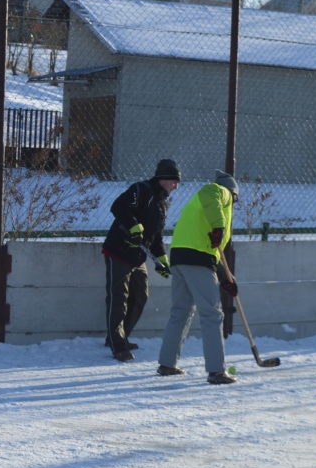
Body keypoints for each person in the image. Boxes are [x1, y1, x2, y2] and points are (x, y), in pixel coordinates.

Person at [156, 169, 240, 384]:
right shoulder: (220, 191)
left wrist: (225, 278)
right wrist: (219, 227)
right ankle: (216, 370)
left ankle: (167, 364)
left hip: (180, 256)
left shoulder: (199, 207)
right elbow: (210, 195)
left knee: (180, 311)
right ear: (234, 192)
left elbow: (214, 250)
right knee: (212, 314)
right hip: (197, 259)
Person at [102, 159, 181, 362]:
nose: (176, 186)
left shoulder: (162, 203)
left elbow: (155, 235)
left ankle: (121, 336)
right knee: (118, 299)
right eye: (175, 181)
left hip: (138, 258)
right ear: (164, 178)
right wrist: (133, 226)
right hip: (118, 253)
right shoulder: (140, 190)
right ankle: (118, 345)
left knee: (140, 296)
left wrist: (161, 258)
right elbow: (118, 206)